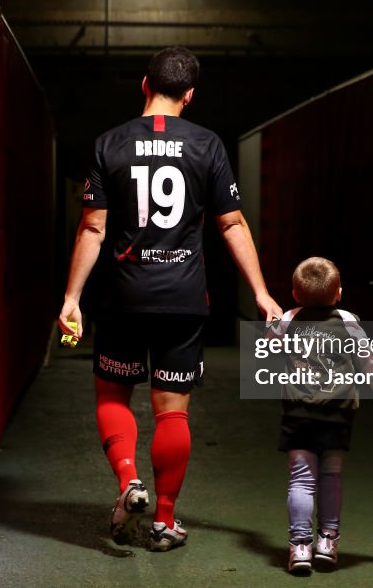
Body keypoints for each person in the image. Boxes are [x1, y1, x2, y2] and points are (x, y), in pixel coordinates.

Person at [57, 46, 282, 551]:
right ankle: (163, 521)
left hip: (122, 298)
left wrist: (72, 298)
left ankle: (127, 480)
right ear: (190, 94)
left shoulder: (109, 143)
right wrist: (263, 294)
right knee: (172, 413)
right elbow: (231, 223)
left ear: (144, 84)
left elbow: (93, 227)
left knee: (113, 395)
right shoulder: (207, 145)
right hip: (183, 299)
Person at [269, 256, 373, 575]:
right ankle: (327, 540)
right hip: (338, 413)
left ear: (296, 294)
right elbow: (372, 364)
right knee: (331, 475)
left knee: (301, 479)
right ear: (338, 292)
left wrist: (273, 323)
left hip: (298, 411)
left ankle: (300, 547)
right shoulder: (348, 321)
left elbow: (271, 345)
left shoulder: (289, 319)